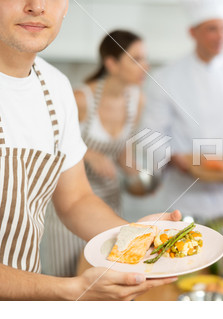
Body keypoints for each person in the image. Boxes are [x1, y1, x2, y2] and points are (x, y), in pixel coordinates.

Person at [0, 0, 179, 300]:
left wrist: (136, 235)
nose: (36, 6)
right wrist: (67, 289)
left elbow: (75, 200)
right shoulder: (81, 95)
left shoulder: (56, 88)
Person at [143, 0, 223, 224]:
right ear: (192, 32)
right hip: (186, 205)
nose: (220, 36)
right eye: (212, 29)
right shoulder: (166, 77)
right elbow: (151, 133)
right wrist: (176, 158)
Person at [40, 30, 149, 277]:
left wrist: (140, 179)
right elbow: (48, 144)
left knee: (104, 282)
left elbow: (123, 153)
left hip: (108, 206)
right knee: (68, 282)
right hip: (68, 211)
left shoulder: (136, 100)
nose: (146, 65)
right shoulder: (80, 98)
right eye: (137, 59)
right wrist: (87, 152)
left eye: (145, 58)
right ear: (111, 63)